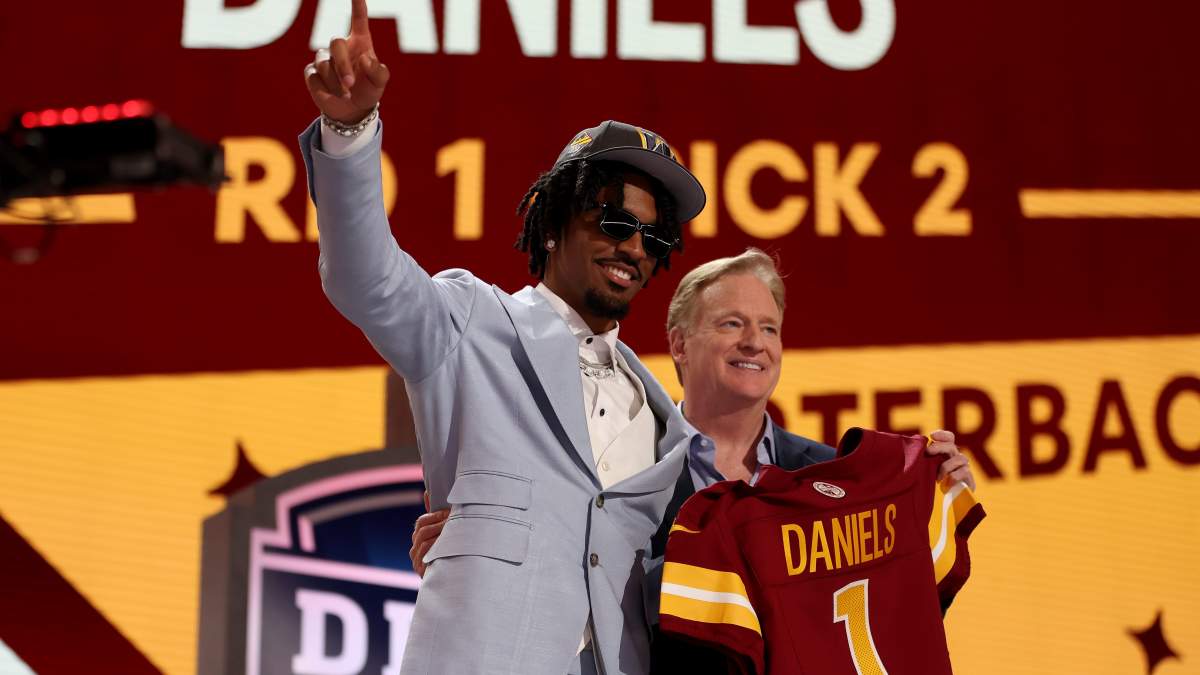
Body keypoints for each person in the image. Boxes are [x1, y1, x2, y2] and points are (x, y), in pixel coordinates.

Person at [301, 2, 708, 673]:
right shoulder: (472, 323)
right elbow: (365, 277)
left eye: (653, 236)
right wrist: (349, 129)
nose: (634, 248)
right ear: (553, 224)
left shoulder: (666, 423)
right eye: (613, 222)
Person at [411, 250, 976, 668]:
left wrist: (932, 508)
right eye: (732, 324)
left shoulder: (830, 478)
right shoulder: (625, 465)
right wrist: (474, 549)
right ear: (679, 344)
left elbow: (888, 615)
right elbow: (566, 563)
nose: (755, 342)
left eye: (769, 328)